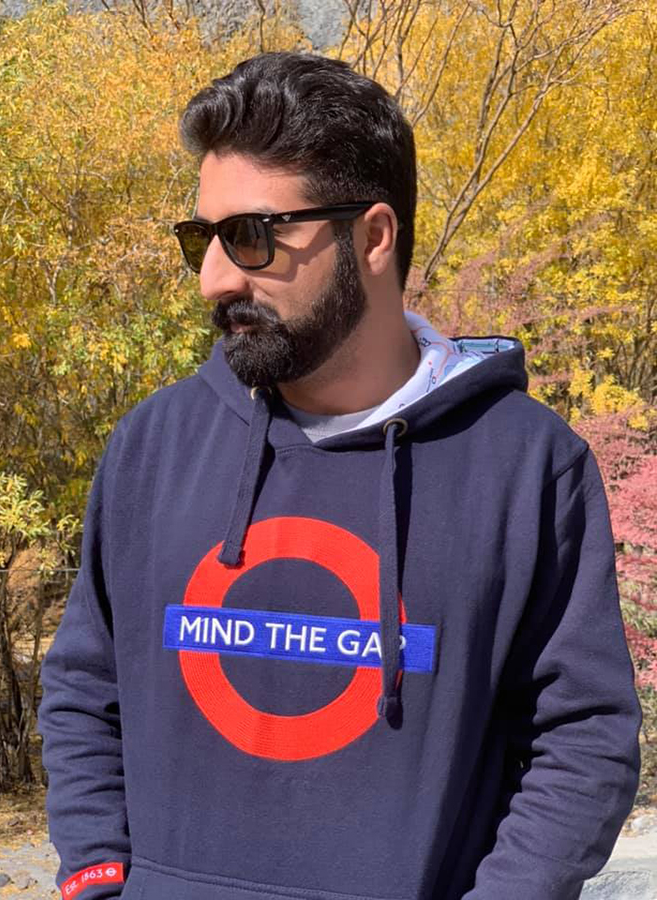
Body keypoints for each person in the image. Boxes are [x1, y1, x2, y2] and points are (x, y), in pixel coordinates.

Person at [38, 51, 641, 900]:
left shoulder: (526, 466)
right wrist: (98, 876)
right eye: (198, 239)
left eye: (250, 236)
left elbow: (580, 738)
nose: (214, 277)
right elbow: (83, 688)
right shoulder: (153, 444)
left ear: (373, 237)